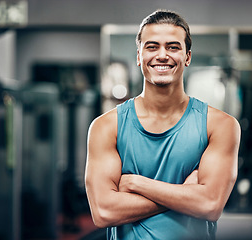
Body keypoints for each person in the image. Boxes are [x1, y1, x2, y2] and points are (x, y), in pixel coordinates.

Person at [85, 9, 241, 239]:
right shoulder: (106, 127)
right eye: (151, 46)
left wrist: (137, 184)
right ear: (139, 56)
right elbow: (104, 212)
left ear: (187, 57)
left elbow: (209, 205)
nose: (162, 55)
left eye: (173, 47)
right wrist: (187, 195)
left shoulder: (219, 125)